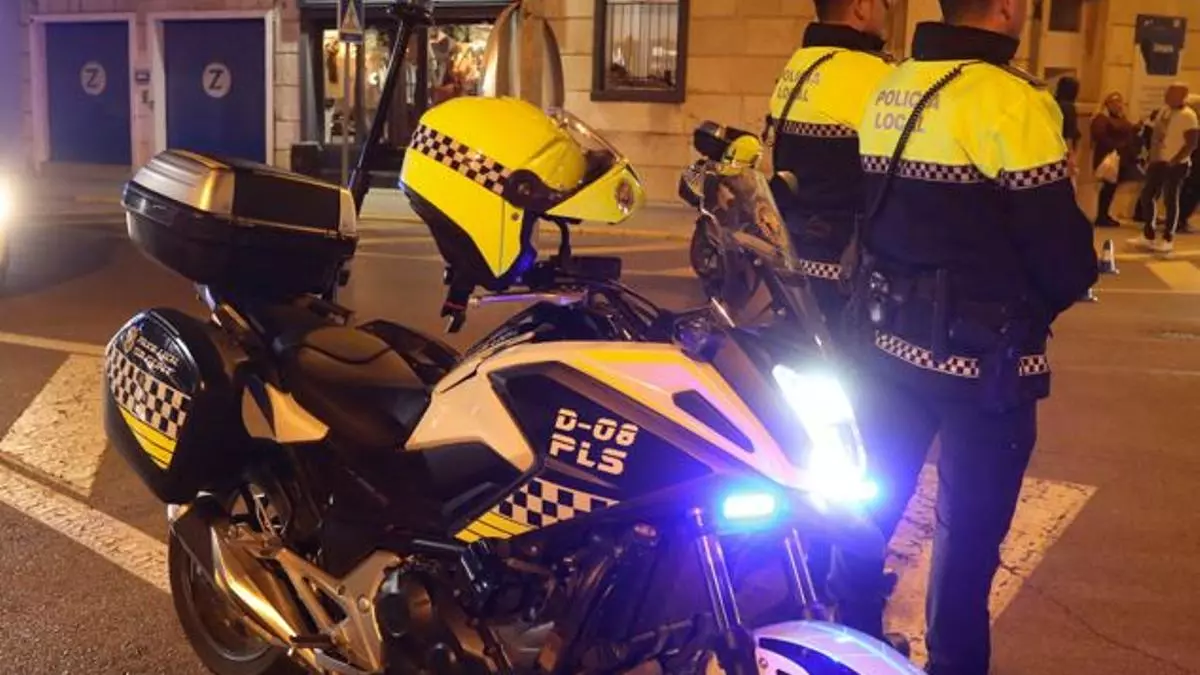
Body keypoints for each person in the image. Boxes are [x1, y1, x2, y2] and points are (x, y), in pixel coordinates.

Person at [834, 1, 1099, 673]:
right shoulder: (1012, 100)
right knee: (966, 538)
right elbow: (1062, 255)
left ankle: (850, 641)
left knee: (869, 503)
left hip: (888, 344)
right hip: (983, 364)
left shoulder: (892, 84)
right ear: (1006, 8)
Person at [765, 0, 896, 343]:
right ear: (861, 7)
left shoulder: (800, 63)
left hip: (793, 257)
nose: (890, 10)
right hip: (849, 268)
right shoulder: (873, 74)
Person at [1130, 83, 1199, 253]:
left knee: (1170, 199)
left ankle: (1168, 238)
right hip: (1158, 161)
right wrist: (1151, 157)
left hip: (1176, 164)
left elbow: (1191, 143)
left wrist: (1175, 160)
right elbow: (1155, 134)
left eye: (1171, 93)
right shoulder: (1164, 110)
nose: (1167, 95)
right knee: (1147, 195)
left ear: (1182, 96)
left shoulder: (1188, 116)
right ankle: (1148, 234)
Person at [1089, 91, 1139, 228]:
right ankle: (1101, 215)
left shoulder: (1121, 118)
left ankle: (1105, 214)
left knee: (1111, 188)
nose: (1118, 105)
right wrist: (1117, 146)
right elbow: (1099, 135)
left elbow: (1128, 131)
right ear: (1107, 104)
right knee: (1107, 187)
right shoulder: (1102, 118)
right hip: (1108, 158)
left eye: (1119, 101)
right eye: (1114, 102)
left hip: (1120, 158)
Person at [1176, 93, 1200, 232]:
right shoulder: (1188, 122)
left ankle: (1181, 219)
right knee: (1188, 191)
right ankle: (1179, 220)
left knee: (1190, 192)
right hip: (1191, 163)